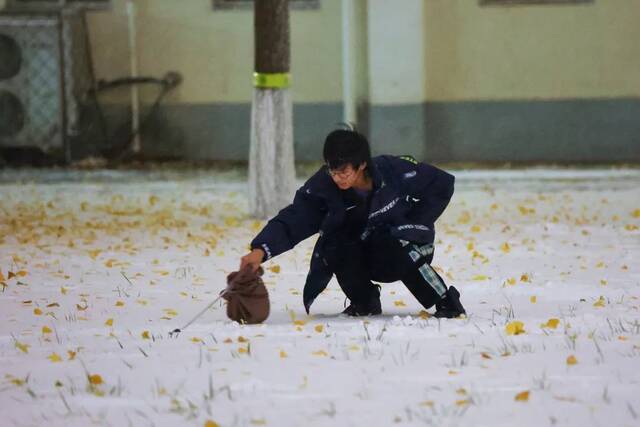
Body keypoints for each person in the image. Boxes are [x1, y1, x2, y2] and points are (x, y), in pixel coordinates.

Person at [240, 127, 466, 318]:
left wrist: (414, 224)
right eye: (332, 170)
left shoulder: (393, 171)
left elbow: (442, 184)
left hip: (409, 247)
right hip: (369, 254)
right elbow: (295, 218)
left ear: (361, 165)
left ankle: (445, 300)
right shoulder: (324, 188)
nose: (337, 177)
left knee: (389, 238)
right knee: (335, 242)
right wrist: (261, 251)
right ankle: (365, 301)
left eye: (343, 171)